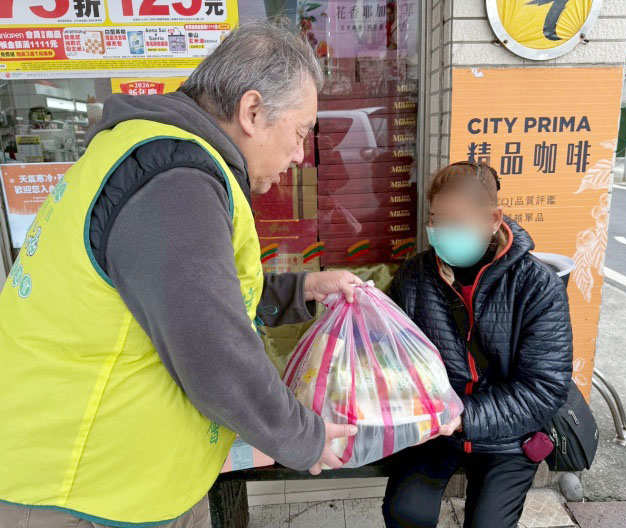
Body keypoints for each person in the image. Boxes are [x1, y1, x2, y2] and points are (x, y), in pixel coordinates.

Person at [0, 22, 360, 528]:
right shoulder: (174, 182)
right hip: (83, 489)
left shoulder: (154, 153)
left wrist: (301, 289)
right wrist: (305, 437)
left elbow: (189, 298)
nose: (301, 156)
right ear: (252, 112)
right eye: (300, 133)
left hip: (115, 476)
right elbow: (214, 352)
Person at [382, 161, 573, 528]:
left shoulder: (537, 286)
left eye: (458, 222)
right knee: (406, 513)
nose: (443, 232)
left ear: (493, 219)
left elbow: (544, 388)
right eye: (437, 219)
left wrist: (464, 416)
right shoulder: (415, 276)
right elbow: (392, 352)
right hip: (435, 429)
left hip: (508, 433)